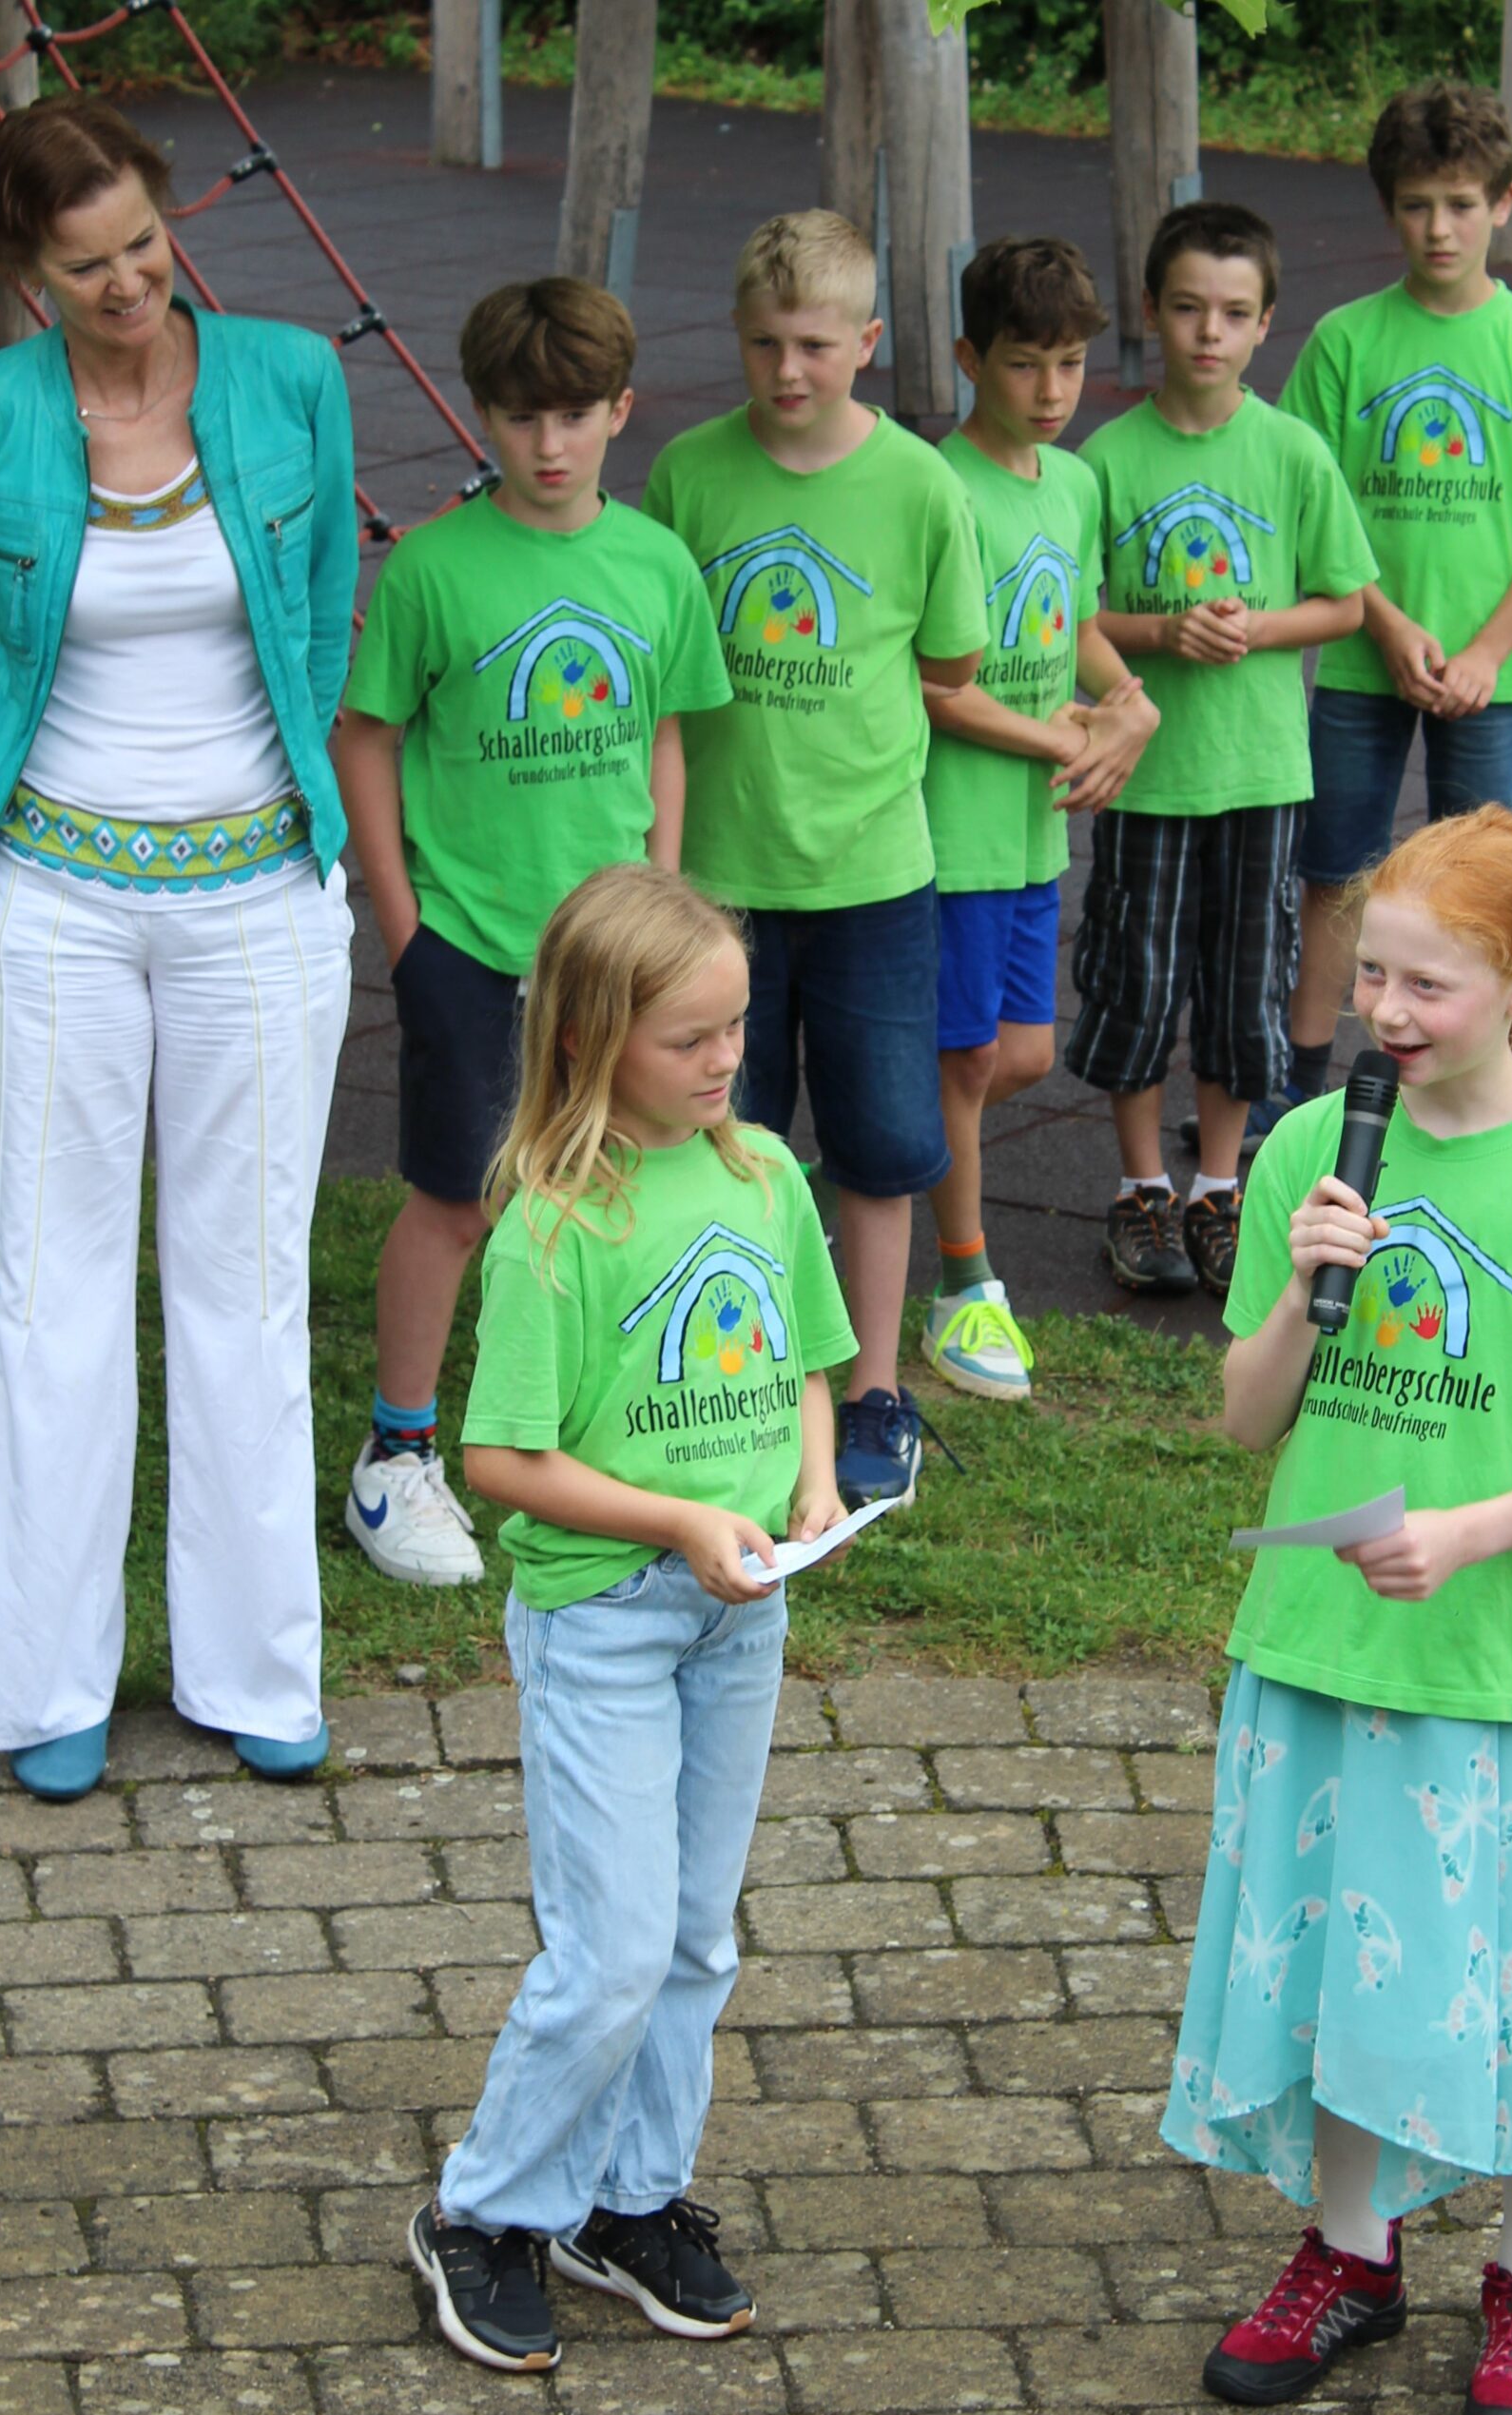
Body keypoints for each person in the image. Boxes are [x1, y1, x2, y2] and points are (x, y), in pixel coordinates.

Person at [1164, 806, 1512, 2415]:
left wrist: (1465, 1532)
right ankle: (1347, 2248)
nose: (1382, 1015)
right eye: (1368, 975)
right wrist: (1302, 1285)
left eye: (1426, 988)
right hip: (1322, 1642)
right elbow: (1245, 1422)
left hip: (1497, 1664)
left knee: (1501, 1968)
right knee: (1333, 1952)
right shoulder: (1316, 1148)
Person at [0, 95, 358, 1802]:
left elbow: (314, 618)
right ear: (27, 267)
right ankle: (45, 1688)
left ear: (173, 220)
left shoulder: (289, 379)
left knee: (244, 1285)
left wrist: (278, 811)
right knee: (46, 1293)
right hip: (50, 903)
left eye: (145, 252)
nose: (125, 291)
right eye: (85, 267)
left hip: (258, 892)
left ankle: (256, 1672)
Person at [407, 863, 854, 2375]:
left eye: (736, 1028)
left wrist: (807, 1485)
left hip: (743, 1614)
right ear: (596, 1040)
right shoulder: (549, 1227)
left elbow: (804, 1356)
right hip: (608, 1619)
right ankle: (485, 2211)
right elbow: (498, 1463)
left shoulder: (761, 1179)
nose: (728, 1059)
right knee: (604, 1954)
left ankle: (633, 2198)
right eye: (691, 1039)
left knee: (691, 1938)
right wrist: (676, 1520)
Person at [338, 276, 730, 1590]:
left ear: (621, 410)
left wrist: (664, 906)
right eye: (519, 419)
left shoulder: (657, 564)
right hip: (469, 939)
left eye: (574, 416)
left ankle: (593, 1442)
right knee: (459, 1199)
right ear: (481, 417)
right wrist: (403, 927)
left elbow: (666, 734)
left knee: (609, 1195)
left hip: (617, 956)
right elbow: (367, 738)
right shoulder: (437, 568)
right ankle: (398, 1456)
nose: (548, 446)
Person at [641, 209, 988, 1506]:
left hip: (871, 877)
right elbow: (667, 670)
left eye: (814, 346)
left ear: (869, 344)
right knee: (718, 1133)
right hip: (718, 882)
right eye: (762, 344)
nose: (786, 372)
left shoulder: (917, 486)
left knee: (883, 1143)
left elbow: (949, 661)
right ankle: (724, 1383)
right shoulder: (686, 474)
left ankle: (875, 1392)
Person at [1254, 82, 1512, 1152]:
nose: (1438, 228)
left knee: (1489, 899)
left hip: (1488, 677)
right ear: (1388, 209)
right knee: (1334, 879)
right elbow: (1317, 519)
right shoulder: (1346, 344)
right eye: (1416, 205)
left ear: (1501, 203)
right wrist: (1389, 627)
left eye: (1459, 203)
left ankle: (1506, 1098)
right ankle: (1300, 1095)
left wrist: (1491, 648)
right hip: (1365, 663)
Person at [1074, 204, 1376, 1299]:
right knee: (1137, 979)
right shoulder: (1105, 458)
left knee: (1250, 985)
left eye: (1234, 314)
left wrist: (1252, 625)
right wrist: (1162, 634)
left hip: (1260, 775)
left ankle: (1217, 1185)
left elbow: (1344, 603)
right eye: (1189, 308)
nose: (1209, 332)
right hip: (1151, 779)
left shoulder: (1292, 452)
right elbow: (1074, 617)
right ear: (1151, 312)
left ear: (1266, 327)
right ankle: (1140, 1184)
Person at [920, 236, 1158, 1402]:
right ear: (970, 359)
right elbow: (934, 682)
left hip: (1030, 828)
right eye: (1025, 365)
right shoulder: (937, 487)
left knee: (1021, 1053)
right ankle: (963, 1284)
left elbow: (1068, 621)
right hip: (958, 822)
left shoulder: (1072, 484)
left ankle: (888, 1128)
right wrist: (1064, 736)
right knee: (967, 1058)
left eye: (1069, 365)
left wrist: (1128, 700)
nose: (1053, 392)